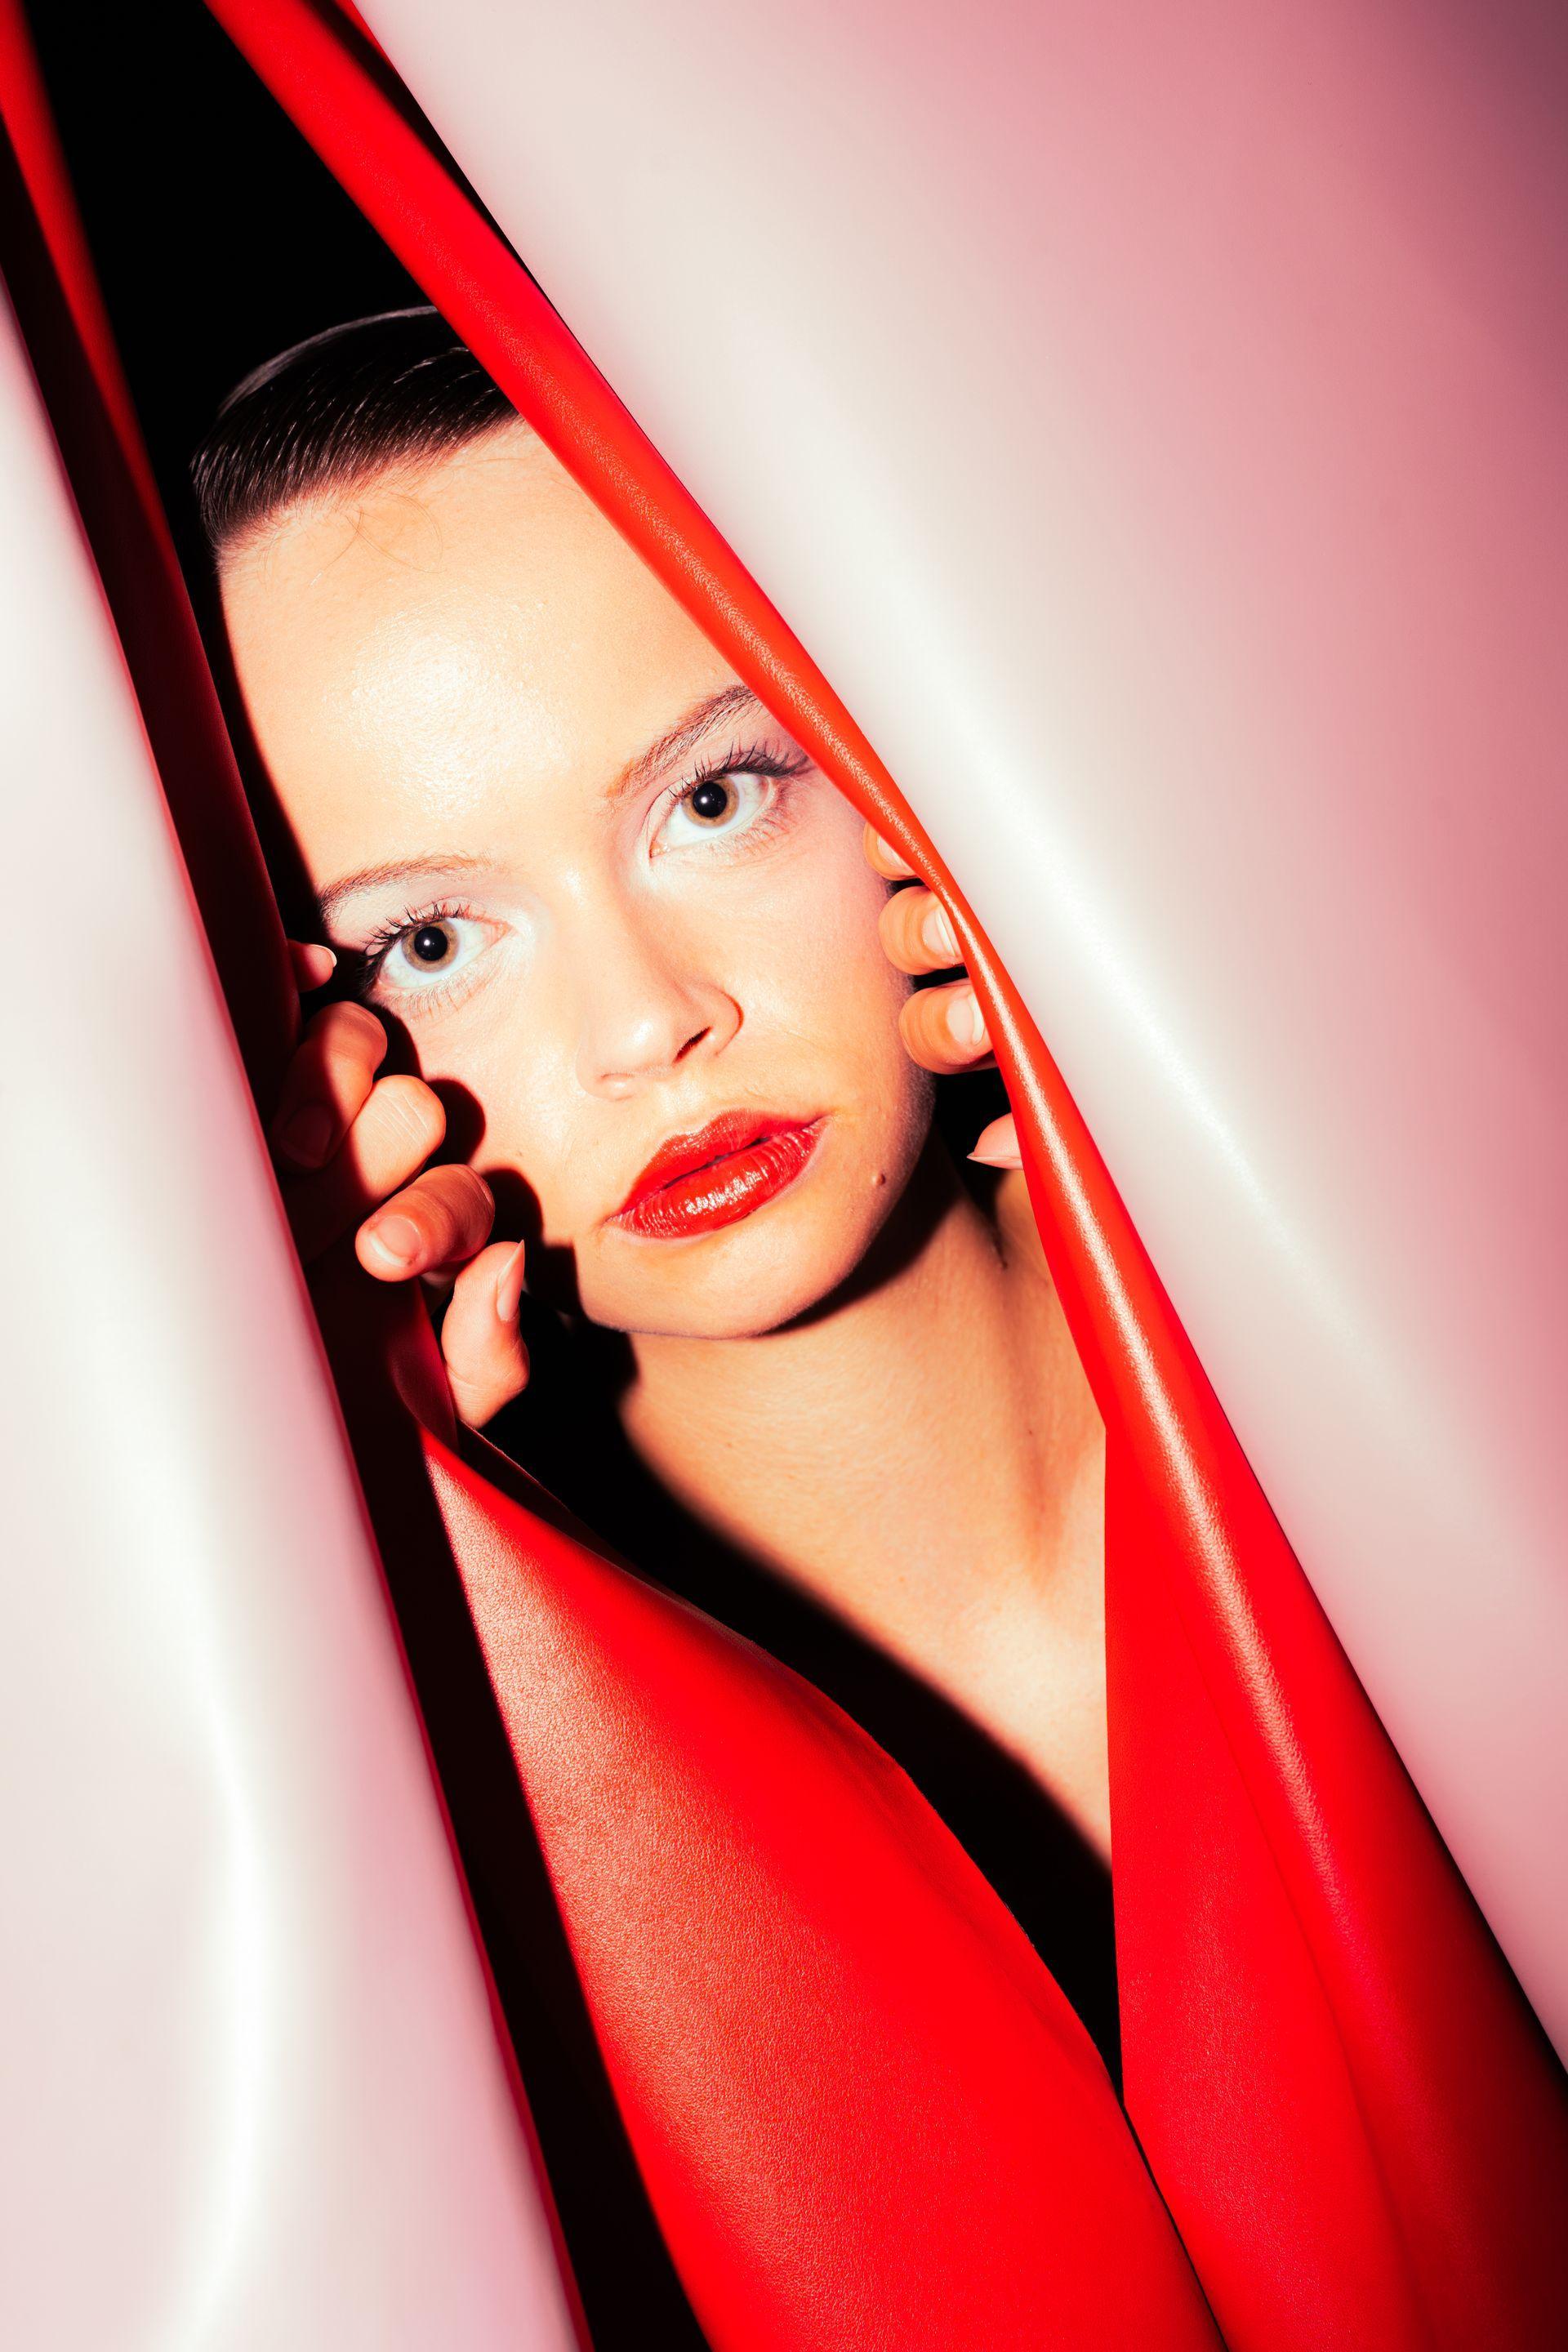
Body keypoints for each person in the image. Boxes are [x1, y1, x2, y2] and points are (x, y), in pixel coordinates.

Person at [195, 305, 1116, 2050]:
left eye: (713, 799)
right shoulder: (432, 1814)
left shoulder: (1434, 1312)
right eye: (432, 939)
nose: (648, 1026)